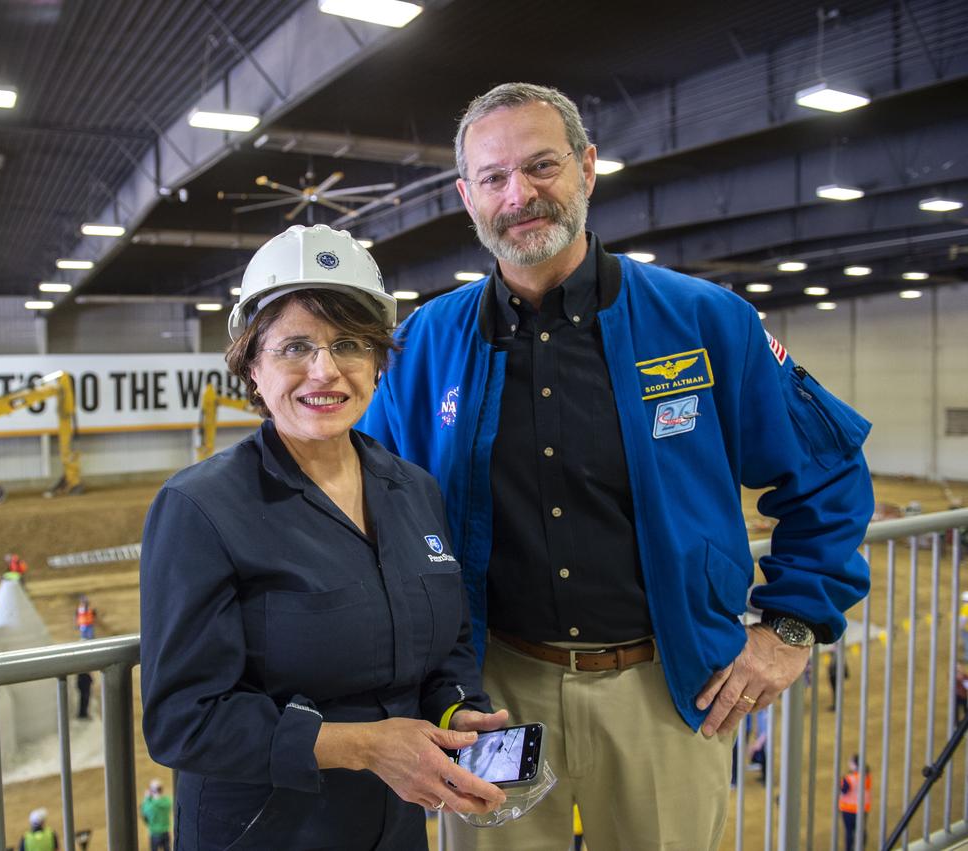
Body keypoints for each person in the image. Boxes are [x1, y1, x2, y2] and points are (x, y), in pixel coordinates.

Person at [358, 82, 874, 850]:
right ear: (467, 196)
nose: (519, 194)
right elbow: (365, 503)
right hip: (496, 691)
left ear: (587, 168)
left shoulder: (703, 320)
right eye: (494, 178)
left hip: (667, 686)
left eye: (540, 166)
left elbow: (827, 469)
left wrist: (789, 626)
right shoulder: (424, 346)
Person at [139, 224, 509, 850]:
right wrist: (365, 747)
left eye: (349, 345)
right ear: (252, 366)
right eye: (295, 347)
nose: (326, 371)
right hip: (270, 831)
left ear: (377, 364)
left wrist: (455, 709)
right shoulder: (200, 507)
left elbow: (447, 647)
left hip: (392, 825)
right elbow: (184, 719)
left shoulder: (413, 490)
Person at [838, 754, 872, 849]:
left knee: (849, 832)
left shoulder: (849, 778)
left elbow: (844, 790)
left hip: (849, 810)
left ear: (855, 765)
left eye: (851, 762)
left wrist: (841, 781)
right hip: (862, 808)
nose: (849, 763)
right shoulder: (866, 776)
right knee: (861, 830)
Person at [141, 779, 173, 851]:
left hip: (154, 833)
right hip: (166, 831)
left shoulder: (150, 805)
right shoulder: (167, 801)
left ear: (151, 791)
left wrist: (147, 798)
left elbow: (144, 812)